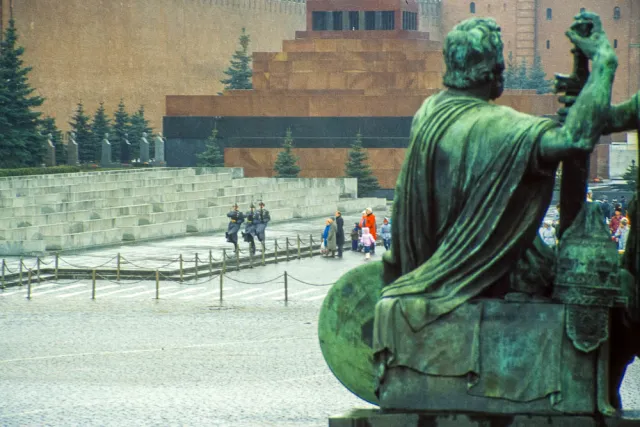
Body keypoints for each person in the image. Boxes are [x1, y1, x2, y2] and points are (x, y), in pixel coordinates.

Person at [377, 14, 638, 408]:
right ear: (494, 70)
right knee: (625, 298)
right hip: (482, 279)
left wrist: (586, 98)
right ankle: (596, 400)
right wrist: (603, 61)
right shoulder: (494, 127)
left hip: (438, 271)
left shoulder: (431, 113)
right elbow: (577, 139)